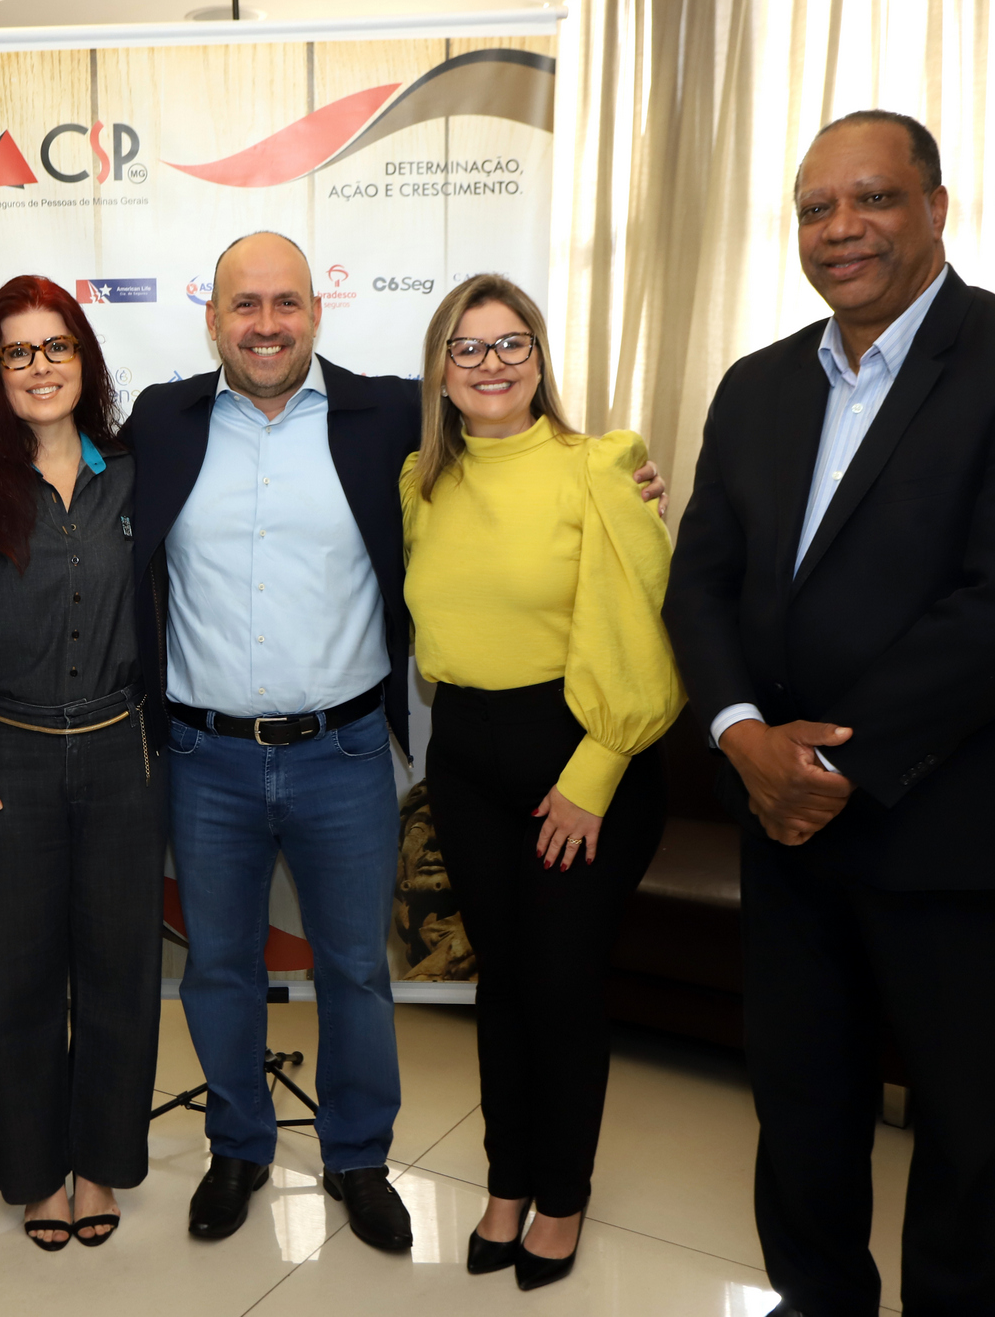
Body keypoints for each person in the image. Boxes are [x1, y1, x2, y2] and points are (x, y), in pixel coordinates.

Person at [0, 232, 669, 1252]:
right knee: (219, 968)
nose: (265, 324)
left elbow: (502, 454)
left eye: (285, 303)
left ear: (317, 312)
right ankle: (237, 1147)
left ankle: (358, 1157)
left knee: (355, 970)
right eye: (244, 304)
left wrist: (620, 482)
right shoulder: (164, 422)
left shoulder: (389, 417)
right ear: (212, 318)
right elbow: (53, 470)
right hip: (204, 756)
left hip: (343, 752)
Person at [663, 111, 995, 1317]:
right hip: (783, 833)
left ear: (934, 206)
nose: (840, 228)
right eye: (814, 208)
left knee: (978, 1145)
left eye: (870, 198)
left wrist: (827, 766)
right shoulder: (756, 385)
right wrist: (740, 736)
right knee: (799, 1117)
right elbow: (700, 582)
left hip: (961, 831)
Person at [400, 274, 682, 1290]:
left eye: (510, 342)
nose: (491, 363)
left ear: (538, 355)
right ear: (439, 370)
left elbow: (640, 634)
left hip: (583, 750)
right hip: (465, 754)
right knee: (505, 982)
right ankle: (506, 1182)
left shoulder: (599, 466)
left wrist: (593, 773)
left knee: (560, 986)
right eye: (468, 347)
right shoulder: (420, 481)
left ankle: (561, 1195)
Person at [0, 275, 165, 1251]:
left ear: (84, 359)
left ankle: (99, 1162)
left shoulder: (136, 473)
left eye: (55, 346)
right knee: (16, 977)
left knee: (119, 971)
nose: (38, 367)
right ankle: (31, 1173)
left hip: (117, 753)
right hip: (2, 758)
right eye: (16, 352)